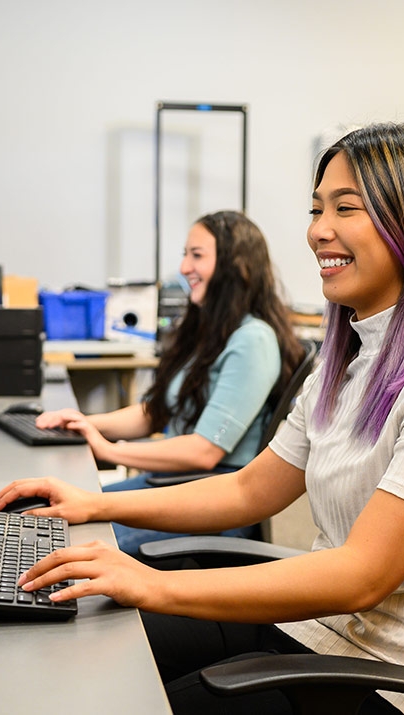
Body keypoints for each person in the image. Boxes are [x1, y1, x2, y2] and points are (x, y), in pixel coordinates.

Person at [0, 122, 404, 715]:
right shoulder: (349, 357)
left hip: (378, 682)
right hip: (314, 630)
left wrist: (155, 584)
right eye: (316, 209)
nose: (318, 231)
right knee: (85, 643)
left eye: (346, 208)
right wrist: (95, 503)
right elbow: (250, 488)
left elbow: (362, 576)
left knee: (122, 691)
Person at [35, 210, 304, 554]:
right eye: (184, 255)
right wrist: (86, 423)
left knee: (63, 536)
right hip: (177, 485)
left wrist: (112, 450)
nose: (184, 267)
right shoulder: (212, 331)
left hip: (213, 505)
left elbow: (206, 450)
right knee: (51, 514)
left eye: (197, 255)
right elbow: (157, 412)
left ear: (235, 265)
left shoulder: (253, 340)